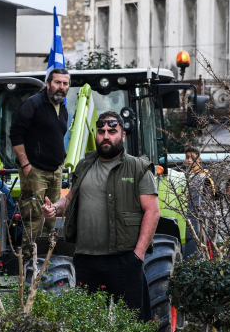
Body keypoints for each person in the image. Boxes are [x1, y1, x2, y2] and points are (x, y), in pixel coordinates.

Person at [45, 111, 160, 319]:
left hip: (124, 259)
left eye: (112, 131)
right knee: (88, 327)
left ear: (123, 136)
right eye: (101, 131)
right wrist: (54, 208)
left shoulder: (138, 168)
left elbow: (152, 211)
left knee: (133, 324)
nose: (106, 136)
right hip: (86, 260)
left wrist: (138, 255)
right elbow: (71, 200)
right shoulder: (84, 165)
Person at [9, 67, 70, 262]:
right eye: (57, 83)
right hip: (35, 171)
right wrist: (26, 165)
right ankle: (28, 264)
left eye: (65, 84)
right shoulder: (32, 104)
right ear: (48, 84)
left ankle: (46, 263)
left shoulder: (63, 109)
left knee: (51, 219)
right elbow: (16, 134)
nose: (61, 87)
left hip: (55, 171)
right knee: (34, 218)